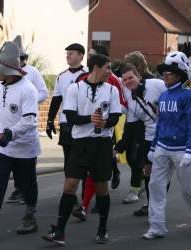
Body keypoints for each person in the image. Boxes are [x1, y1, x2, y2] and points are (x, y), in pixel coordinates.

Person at [42, 54, 121, 245]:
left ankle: (102, 229)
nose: (110, 72)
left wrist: (104, 122)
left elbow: (116, 116)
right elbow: (69, 115)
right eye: (107, 68)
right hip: (80, 144)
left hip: (102, 144)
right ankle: (59, 231)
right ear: (96, 67)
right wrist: (89, 119)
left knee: (102, 188)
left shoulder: (112, 90)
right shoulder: (75, 88)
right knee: (70, 185)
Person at [0, 41, 41, 240]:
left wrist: (10, 134)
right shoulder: (0, 86)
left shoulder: (28, 90)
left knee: (27, 185)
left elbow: (30, 121)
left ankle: (30, 215)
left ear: (7, 69)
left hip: (24, 148)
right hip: (3, 147)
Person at [143, 51, 191, 239]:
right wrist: (153, 147)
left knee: (189, 189)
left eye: (169, 72)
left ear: (179, 74)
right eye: (164, 72)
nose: (165, 75)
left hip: (182, 150)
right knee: (155, 186)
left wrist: (190, 150)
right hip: (161, 147)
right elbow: (160, 124)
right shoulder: (164, 96)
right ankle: (156, 226)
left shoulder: (188, 96)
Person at [72, 45, 126, 220]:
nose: (89, 58)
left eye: (92, 55)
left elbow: (122, 105)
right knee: (79, 177)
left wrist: (107, 121)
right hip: (81, 139)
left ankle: (88, 208)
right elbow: (71, 111)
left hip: (105, 137)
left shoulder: (114, 82)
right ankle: (82, 207)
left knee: (99, 178)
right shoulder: (79, 81)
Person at [119, 63, 166, 216]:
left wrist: (163, 106)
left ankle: (156, 203)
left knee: (172, 176)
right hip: (149, 135)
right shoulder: (127, 92)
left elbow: (174, 92)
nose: (128, 81)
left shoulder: (156, 84)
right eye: (125, 80)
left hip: (168, 134)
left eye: (131, 78)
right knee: (147, 170)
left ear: (138, 76)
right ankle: (151, 205)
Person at [7, 35, 48, 204]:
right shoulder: (8, 73)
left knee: (27, 162)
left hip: (27, 121)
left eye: (22, 58)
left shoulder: (33, 72)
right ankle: (18, 189)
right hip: (11, 121)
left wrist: (29, 101)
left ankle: (26, 191)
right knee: (14, 159)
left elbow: (44, 92)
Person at [116, 51, 156, 204]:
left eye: (129, 64)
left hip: (146, 127)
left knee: (141, 159)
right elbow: (129, 104)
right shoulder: (128, 80)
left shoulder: (151, 82)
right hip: (132, 122)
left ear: (138, 67)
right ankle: (141, 189)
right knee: (133, 158)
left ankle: (138, 192)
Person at [46, 43, 86, 170]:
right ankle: (68, 189)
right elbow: (56, 100)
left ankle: (86, 188)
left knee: (83, 158)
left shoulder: (88, 74)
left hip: (84, 121)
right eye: (67, 54)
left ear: (80, 56)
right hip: (66, 122)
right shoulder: (61, 76)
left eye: (71, 53)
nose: (68, 56)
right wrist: (50, 120)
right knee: (68, 158)